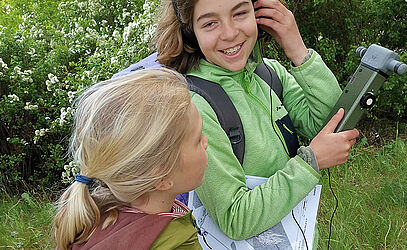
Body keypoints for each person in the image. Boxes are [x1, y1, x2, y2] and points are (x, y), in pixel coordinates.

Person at [155, 0, 360, 248]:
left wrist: (297, 49)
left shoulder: (269, 74)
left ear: (258, 14)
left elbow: (330, 124)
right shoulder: (195, 108)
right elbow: (234, 218)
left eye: (240, 13)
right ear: (190, 32)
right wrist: (310, 161)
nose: (230, 33)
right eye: (210, 23)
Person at [53, 68, 208, 250]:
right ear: (162, 178)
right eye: (198, 140)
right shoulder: (176, 244)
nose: (205, 142)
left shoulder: (97, 216)